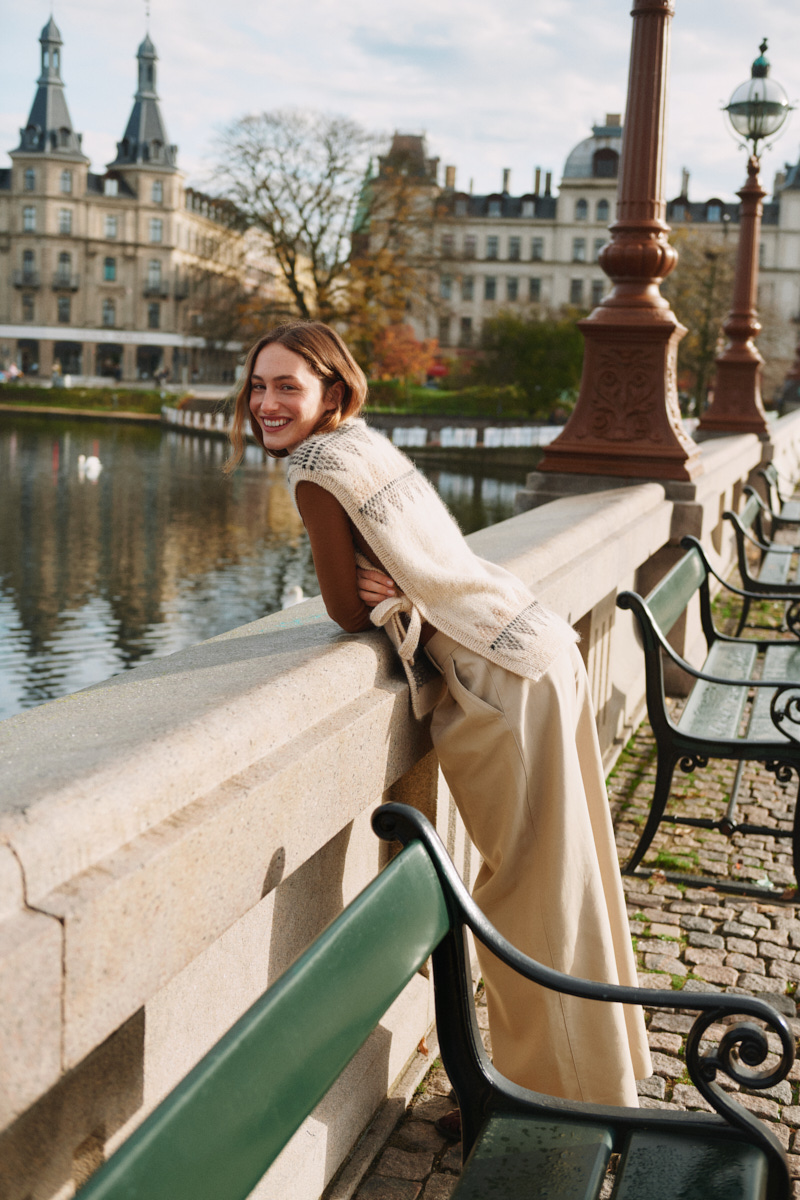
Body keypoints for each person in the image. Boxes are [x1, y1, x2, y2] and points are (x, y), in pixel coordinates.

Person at [227, 321, 652, 1111]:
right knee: (574, 873)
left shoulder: (317, 467)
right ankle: (605, 1072)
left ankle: (554, 1097)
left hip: (499, 680)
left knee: (530, 894)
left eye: (287, 386)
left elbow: (345, 609)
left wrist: (389, 593)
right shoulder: (363, 443)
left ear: (331, 391)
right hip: (534, 647)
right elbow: (426, 560)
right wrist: (404, 586)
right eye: (258, 385)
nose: (267, 402)